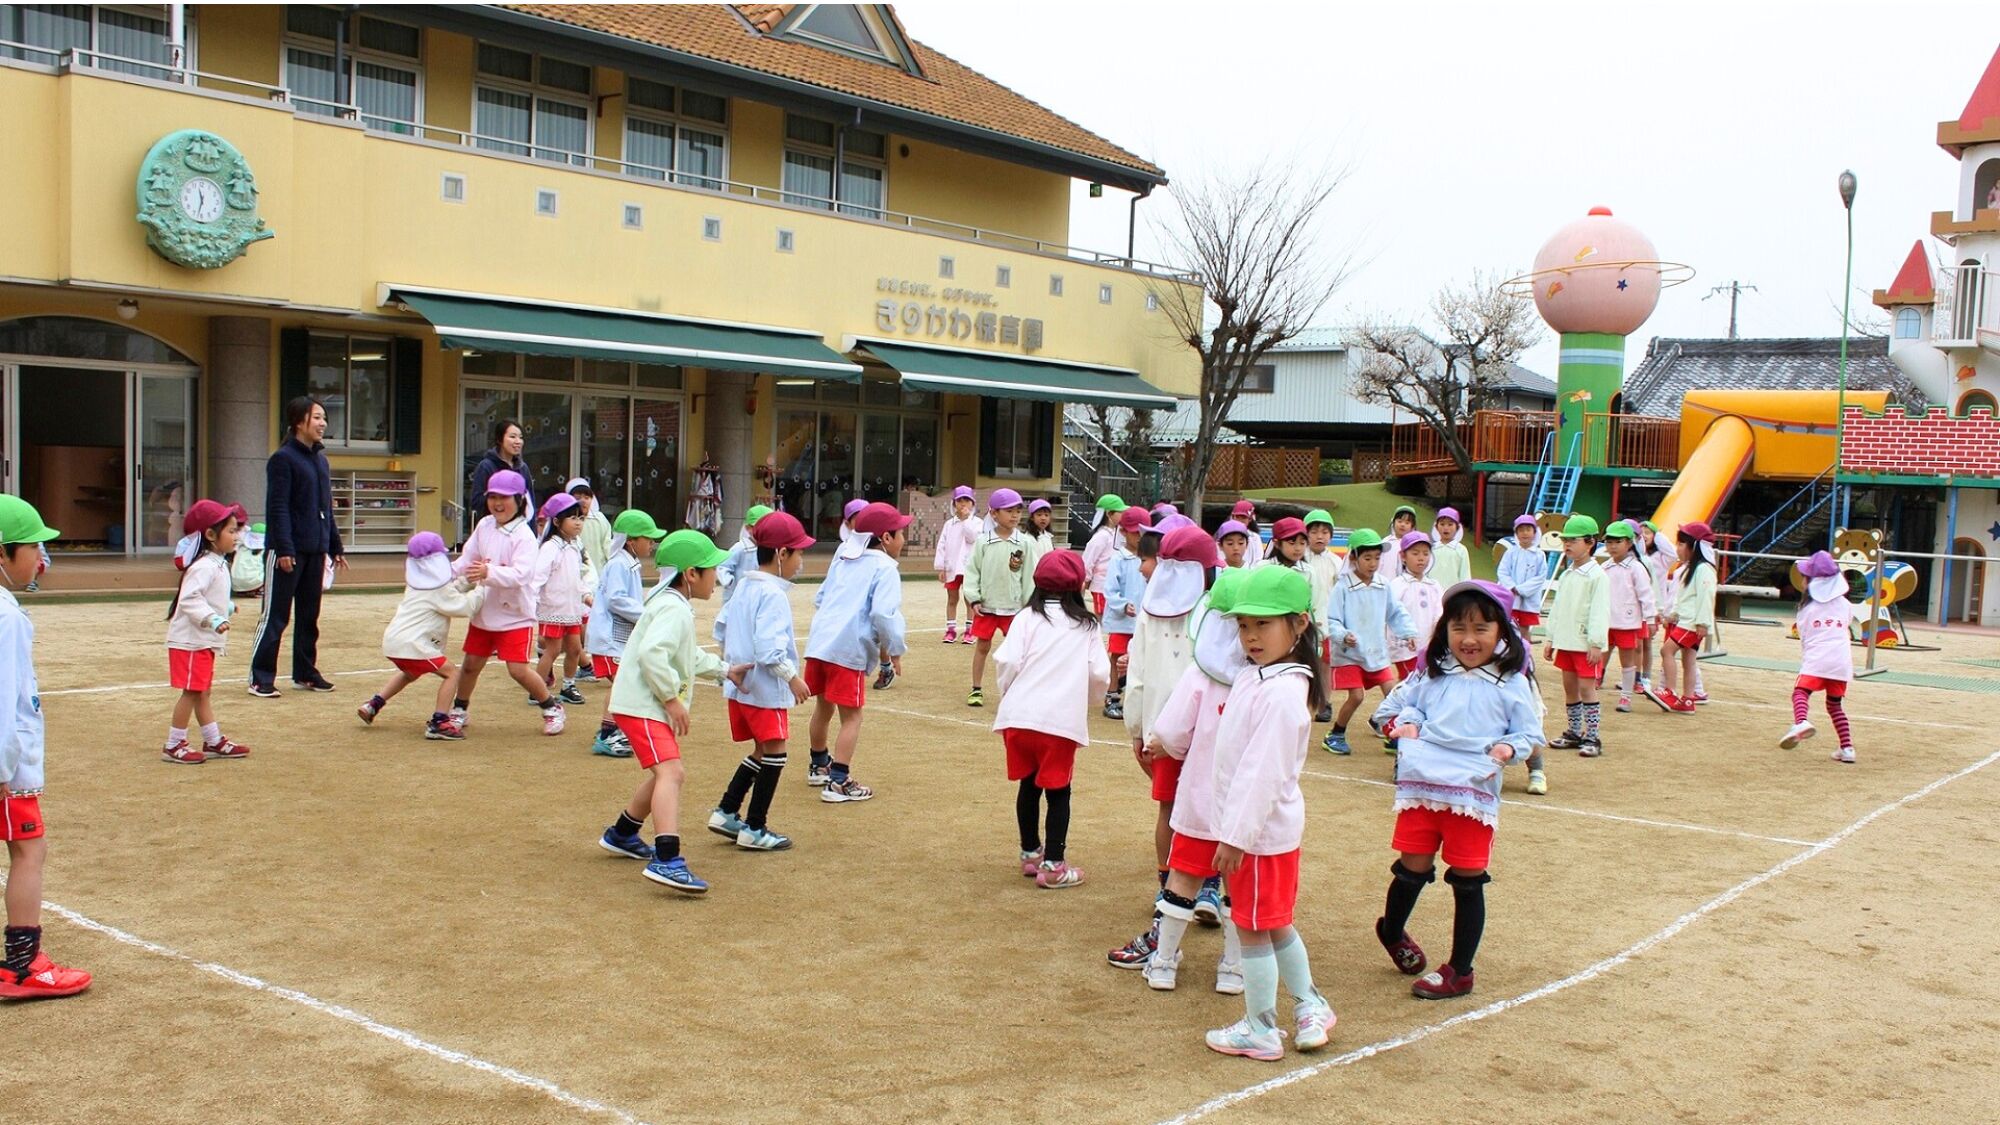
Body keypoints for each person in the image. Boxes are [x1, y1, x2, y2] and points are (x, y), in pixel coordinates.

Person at [1181, 566, 1337, 1062]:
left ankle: (1261, 1028)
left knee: (1252, 928)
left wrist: (1234, 837)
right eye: (1244, 625)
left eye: (1263, 625)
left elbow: (1260, 774)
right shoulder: (1260, 675)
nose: (1250, 636)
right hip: (1262, 833)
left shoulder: (1283, 691)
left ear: (1299, 625)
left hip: (1257, 835)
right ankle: (1311, 1004)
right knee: (1272, 923)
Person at [1371, 580, 1543, 1001]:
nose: (1469, 639)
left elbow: (1528, 732)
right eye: (1458, 628)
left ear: (1502, 631)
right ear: (1444, 629)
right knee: (1411, 867)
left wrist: (1509, 748)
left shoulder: (1511, 683)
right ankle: (1391, 931)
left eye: (1481, 629)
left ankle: (1460, 971)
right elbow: (1396, 710)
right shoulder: (1432, 672)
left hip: (1472, 791)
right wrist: (1405, 725)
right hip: (1423, 786)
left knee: (1468, 879)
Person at [1109, 524, 1221, 969]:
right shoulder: (1217, 608)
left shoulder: (1149, 610)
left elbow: (1134, 674)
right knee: (1208, 808)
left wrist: (1136, 731)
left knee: (1169, 808)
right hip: (1208, 729)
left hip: (1161, 728)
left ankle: (1168, 885)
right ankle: (1208, 886)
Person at [598, 531, 731, 891]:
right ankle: (667, 859)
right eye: (710, 570)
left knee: (664, 774)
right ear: (691, 574)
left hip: (640, 704)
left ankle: (623, 833)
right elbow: (652, 654)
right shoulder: (673, 608)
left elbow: (683, 655)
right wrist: (671, 699)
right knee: (672, 772)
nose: (715, 578)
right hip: (644, 705)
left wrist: (724, 670)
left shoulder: (671, 603)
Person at [1141, 567, 1251, 994]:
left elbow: (1169, 734)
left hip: (1199, 802)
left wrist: (1171, 747)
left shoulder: (1200, 675)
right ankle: (1232, 968)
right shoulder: (1271, 680)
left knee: (1183, 877)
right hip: (1245, 810)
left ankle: (1165, 961)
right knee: (1239, 887)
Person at [0, 495, 91, 999]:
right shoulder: (6, 617)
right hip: (8, 771)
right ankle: (22, 964)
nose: (41, 557)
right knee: (29, 849)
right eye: (33, 546)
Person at [992, 549, 1109, 889]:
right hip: (1058, 722)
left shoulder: (1026, 617)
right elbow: (1098, 673)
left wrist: (1009, 694)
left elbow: (1008, 663)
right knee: (1058, 791)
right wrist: (1087, 701)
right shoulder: (1086, 624)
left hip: (1019, 717)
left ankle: (1030, 853)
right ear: (1078, 585)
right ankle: (1054, 865)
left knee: (1028, 785)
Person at [709, 511, 817, 851]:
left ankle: (727, 811)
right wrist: (793, 678)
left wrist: (730, 665)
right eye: (799, 552)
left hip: (741, 687)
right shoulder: (772, 594)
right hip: (765, 688)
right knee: (776, 751)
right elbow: (770, 650)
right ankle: (755, 827)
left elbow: (720, 628)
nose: (802, 559)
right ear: (782, 554)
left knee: (761, 749)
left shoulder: (744, 585)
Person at [803, 502, 909, 802]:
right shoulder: (885, 567)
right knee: (853, 717)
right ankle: (838, 780)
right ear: (886, 538)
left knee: (823, 708)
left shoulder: (844, 558)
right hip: (846, 651)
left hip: (820, 644)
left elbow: (821, 597)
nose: (903, 539)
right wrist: (896, 648)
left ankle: (818, 764)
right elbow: (884, 615)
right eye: (900, 533)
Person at [453, 470, 565, 736]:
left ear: (519, 500)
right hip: (485, 610)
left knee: (517, 670)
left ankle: (551, 707)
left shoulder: (524, 536)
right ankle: (459, 709)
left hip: (515, 614)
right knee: (470, 665)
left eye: (504, 497)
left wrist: (488, 573)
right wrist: (440, 574)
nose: (497, 503)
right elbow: (468, 558)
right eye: (492, 496)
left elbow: (522, 574)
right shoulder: (484, 525)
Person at [248, 396, 345, 697]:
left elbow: (325, 508)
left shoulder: (321, 460)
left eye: (324, 418)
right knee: (275, 616)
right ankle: (260, 677)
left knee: (308, 615)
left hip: (314, 549)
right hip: (286, 551)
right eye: (316, 417)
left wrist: (334, 544)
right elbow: (278, 508)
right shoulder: (283, 459)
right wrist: (284, 549)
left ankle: (305, 672)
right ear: (298, 421)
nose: (322, 424)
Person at [360, 532, 483, 740]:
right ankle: (439, 721)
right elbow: (465, 606)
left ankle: (374, 704)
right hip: (413, 644)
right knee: (452, 673)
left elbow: (447, 592)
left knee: (410, 673)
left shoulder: (417, 585)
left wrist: (466, 581)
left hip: (395, 642)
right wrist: (483, 587)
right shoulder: (437, 590)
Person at [162, 499, 250, 765]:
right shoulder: (204, 565)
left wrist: (227, 607)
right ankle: (174, 743)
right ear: (211, 535)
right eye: (231, 531)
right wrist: (212, 618)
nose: (237, 537)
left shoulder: (217, 563)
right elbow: (190, 600)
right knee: (191, 691)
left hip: (200, 641)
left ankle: (213, 740)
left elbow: (208, 596)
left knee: (202, 691)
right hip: (190, 641)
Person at [1320, 529, 1417, 755]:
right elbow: (1332, 619)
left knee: (1393, 693)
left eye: (1376, 558)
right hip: (1349, 654)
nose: (1373, 563)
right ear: (1353, 558)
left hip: (1376, 652)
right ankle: (1335, 734)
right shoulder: (1342, 587)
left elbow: (1396, 612)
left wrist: (1408, 632)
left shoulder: (1383, 585)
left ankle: (1394, 734)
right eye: (1367, 558)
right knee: (1357, 696)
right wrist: (1344, 635)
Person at [585, 510, 664, 757]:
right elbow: (616, 599)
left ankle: (611, 731)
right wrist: (646, 615)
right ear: (631, 541)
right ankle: (608, 735)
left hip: (616, 638)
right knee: (621, 685)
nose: (652, 544)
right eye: (647, 539)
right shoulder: (620, 564)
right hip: (610, 638)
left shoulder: (628, 563)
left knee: (623, 684)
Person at [962, 488, 1037, 708]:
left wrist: (1029, 605)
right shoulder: (983, 542)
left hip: (1014, 609)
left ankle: (1016, 690)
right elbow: (972, 571)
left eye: (1017, 511)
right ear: (994, 514)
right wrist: (974, 599)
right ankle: (976, 688)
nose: (1014, 516)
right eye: (1009, 511)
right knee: (982, 647)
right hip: (986, 607)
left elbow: (1030, 576)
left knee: (1017, 652)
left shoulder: (1025, 543)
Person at [1545, 515, 1610, 761]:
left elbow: (1600, 611)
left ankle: (1592, 736)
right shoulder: (1567, 574)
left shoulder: (1598, 576)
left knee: (1586, 688)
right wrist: (1551, 638)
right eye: (1565, 541)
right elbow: (1558, 608)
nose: (1567, 545)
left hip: (1585, 643)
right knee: (1569, 687)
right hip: (1566, 641)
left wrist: (1596, 643)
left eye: (1573, 541)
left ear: (1590, 542)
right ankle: (1573, 732)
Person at [1785, 550, 1858, 763]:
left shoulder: (1807, 609)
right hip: (1842, 663)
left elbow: (1805, 636)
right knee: (1835, 705)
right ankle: (1847, 748)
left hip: (1817, 659)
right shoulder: (1845, 604)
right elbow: (1846, 622)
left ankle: (1801, 722)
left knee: (1800, 693)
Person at [1647, 522, 1718, 714]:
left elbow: (1706, 597)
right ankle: (1688, 700)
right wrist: (1672, 616)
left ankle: (1669, 691)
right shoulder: (1689, 568)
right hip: (1687, 621)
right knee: (1689, 661)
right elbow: (1684, 598)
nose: (1677, 548)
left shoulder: (1703, 569)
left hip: (1692, 624)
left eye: (1681, 544)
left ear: (1693, 547)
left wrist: (1703, 623)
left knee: (1666, 651)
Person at [531, 494, 592, 707]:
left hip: (572, 609)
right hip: (553, 608)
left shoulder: (574, 546)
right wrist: (532, 602)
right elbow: (537, 578)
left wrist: (586, 595)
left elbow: (576, 578)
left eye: (580, 518)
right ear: (557, 522)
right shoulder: (550, 548)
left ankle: (568, 685)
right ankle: (536, 689)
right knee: (553, 650)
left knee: (575, 649)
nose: (577, 522)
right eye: (572, 518)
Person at [1601, 522, 1658, 713]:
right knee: (1601, 653)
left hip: (1627, 622)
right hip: (1606, 621)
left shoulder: (1636, 568)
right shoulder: (1605, 566)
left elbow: (1646, 595)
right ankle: (1595, 681)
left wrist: (1650, 619)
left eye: (1617, 542)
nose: (1612, 546)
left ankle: (1626, 696)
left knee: (1627, 661)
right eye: (1609, 542)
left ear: (1629, 543)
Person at [1101, 506, 1151, 720]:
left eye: (1143, 533)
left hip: (1145, 618)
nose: (1139, 537)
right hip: (1123, 620)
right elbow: (1109, 589)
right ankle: (1113, 696)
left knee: (1142, 659)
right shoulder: (1118, 559)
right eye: (1135, 532)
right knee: (1117, 658)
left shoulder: (1150, 558)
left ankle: (1137, 698)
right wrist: (1122, 605)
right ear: (1123, 532)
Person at [1388, 532, 1442, 681]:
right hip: (1405, 647)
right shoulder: (1397, 585)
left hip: (1428, 645)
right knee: (1411, 680)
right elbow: (1390, 613)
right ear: (1403, 556)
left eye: (1425, 554)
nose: (1421, 558)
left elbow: (1440, 612)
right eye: (1415, 553)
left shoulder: (1434, 585)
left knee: (1424, 680)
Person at [933, 485, 980, 644]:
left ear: (973, 504)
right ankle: (950, 630)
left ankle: (970, 631)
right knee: (952, 599)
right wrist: (941, 567)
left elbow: (972, 537)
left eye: (967, 500)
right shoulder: (949, 524)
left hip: (969, 568)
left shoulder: (976, 523)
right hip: (952, 567)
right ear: (954, 504)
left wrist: (966, 520)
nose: (963, 504)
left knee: (969, 600)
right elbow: (942, 545)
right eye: (960, 501)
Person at [468, 419, 534, 529]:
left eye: (520, 437)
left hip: (519, 528)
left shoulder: (523, 468)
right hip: (494, 528)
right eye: (512, 437)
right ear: (499, 439)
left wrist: (533, 531)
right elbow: (477, 502)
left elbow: (530, 502)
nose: (518, 441)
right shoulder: (486, 466)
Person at [1497, 515, 1549, 636]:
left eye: (1528, 529)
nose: (1525, 533)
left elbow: (1541, 576)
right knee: (1509, 626)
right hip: (1512, 597)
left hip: (1529, 599)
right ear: (1516, 533)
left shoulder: (1539, 555)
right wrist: (1512, 587)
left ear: (1535, 532)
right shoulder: (1511, 553)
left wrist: (1522, 589)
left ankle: (1525, 651)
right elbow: (1502, 571)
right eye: (1521, 530)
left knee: (1524, 628)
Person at [716, 505, 772, 606]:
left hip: (755, 596)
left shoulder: (768, 549)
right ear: (748, 528)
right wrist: (729, 581)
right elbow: (723, 566)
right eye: (759, 528)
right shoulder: (740, 548)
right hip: (735, 597)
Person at [1081, 493, 1127, 617]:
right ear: (1109, 513)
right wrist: (1085, 581)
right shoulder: (1101, 536)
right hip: (1101, 585)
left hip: (1113, 583)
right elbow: (1088, 561)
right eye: (1120, 512)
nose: (1123, 515)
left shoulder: (1116, 534)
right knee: (1103, 617)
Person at [1427, 507, 1471, 589]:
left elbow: (1465, 576)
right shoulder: (1431, 549)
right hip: (1432, 593)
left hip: (1453, 594)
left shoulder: (1461, 550)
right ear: (1436, 527)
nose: (1446, 528)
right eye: (1442, 524)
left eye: (1450, 524)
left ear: (1457, 527)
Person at [1382, 505, 1421, 579]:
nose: (1402, 525)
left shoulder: (1413, 545)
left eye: (1407, 523)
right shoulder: (1385, 542)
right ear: (1393, 522)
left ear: (1412, 526)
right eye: (1399, 521)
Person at [1229, 500, 1265, 566]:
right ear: (1232, 517)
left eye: (1243, 517)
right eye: (1237, 517)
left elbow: (1258, 560)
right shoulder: (1223, 535)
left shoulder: (1255, 537)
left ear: (1250, 519)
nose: (1239, 520)